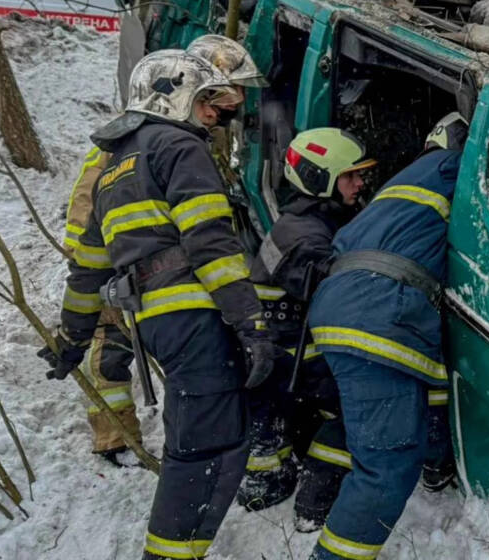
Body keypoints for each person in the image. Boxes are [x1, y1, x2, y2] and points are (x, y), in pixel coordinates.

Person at [39, 50, 280, 560]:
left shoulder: (111, 171)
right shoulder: (178, 146)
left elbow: (87, 269)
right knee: (208, 447)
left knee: (196, 437)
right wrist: (250, 321)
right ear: (171, 97)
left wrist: (71, 339)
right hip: (195, 317)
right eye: (206, 100)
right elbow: (211, 242)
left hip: (154, 324)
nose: (215, 113)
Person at [305, 112, 467, 560]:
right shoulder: (456, 166)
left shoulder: (403, 185)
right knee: (385, 468)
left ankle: (434, 465)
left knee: (405, 409)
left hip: (343, 307)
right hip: (378, 314)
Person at [235, 127, 372, 513]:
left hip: (288, 344)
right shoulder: (304, 238)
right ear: (319, 178)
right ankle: (317, 499)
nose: (360, 182)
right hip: (290, 350)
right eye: (350, 175)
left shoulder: (310, 221)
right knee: (360, 403)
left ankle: (281, 471)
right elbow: (340, 290)